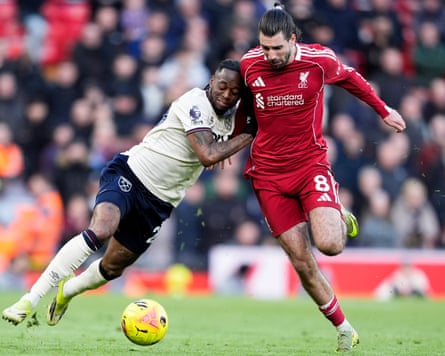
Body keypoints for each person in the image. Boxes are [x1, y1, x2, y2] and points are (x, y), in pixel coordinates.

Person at [2, 58, 256, 326]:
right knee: (101, 229)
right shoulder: (194, 102)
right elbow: (207, 155)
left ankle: (69, 291)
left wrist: (233, 138)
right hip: (131, 174)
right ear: (212, 81)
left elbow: (224, 140)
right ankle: (30, 299)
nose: (227, 95)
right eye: (222, 87)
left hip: (160, 202)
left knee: (112, 267)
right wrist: (248, 134)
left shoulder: (230, 119)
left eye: (234, 92)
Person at [240, 3, 406, 352]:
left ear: (293, 39)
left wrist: (383, 110)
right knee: (301, 260)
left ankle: (337, 212)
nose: (270, 55)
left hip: (309, 166)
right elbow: (243, 111)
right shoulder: (249, 65)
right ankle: (344, 328)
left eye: (277, 48)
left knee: (330, 244)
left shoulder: (319, 61)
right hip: (268, 176)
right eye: (265, 47)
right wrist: (223, 148)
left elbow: (353, 80)